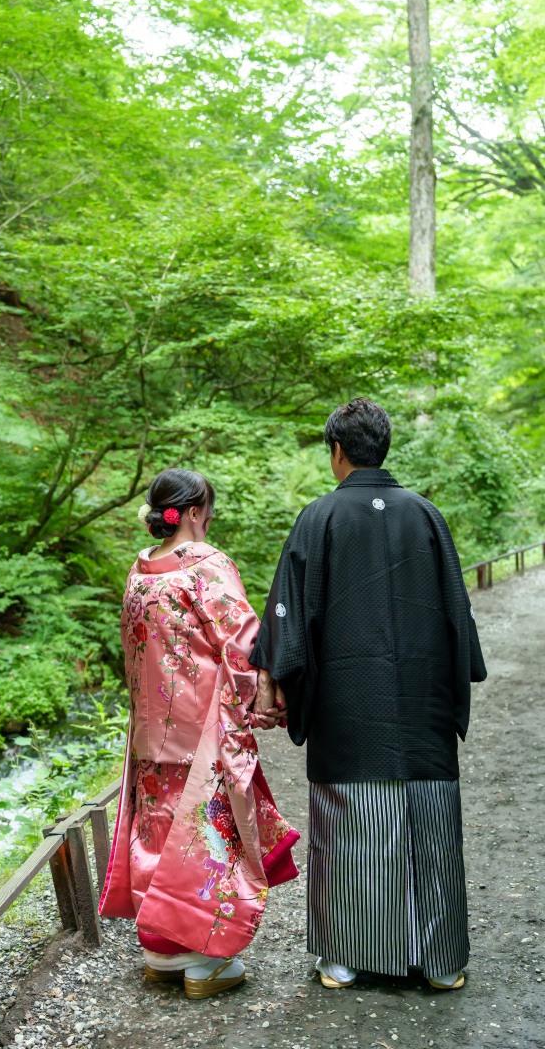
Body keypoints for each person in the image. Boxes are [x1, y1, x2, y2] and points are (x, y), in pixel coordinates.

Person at [253, 398, 487, 991]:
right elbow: (458, 615)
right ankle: (439, 963)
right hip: (421, 707)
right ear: (383, 448)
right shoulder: (426, 514)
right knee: (429, 823)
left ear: (336, 451)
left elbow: (289, 614)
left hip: (347, 707)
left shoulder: (319, 517)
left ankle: (345, 958)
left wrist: (274, 679)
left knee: (353, 824)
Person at [99, 468, 299, 1000]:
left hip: (149, 731)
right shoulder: (206, 567)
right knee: (208, 837)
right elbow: (241, 644)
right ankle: (205, 962)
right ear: (191, 513)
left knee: (158, 834)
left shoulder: (140, 570)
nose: (209, 519)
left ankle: (162, 953)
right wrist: (264, 703)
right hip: (201, 731)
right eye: (206, 510)